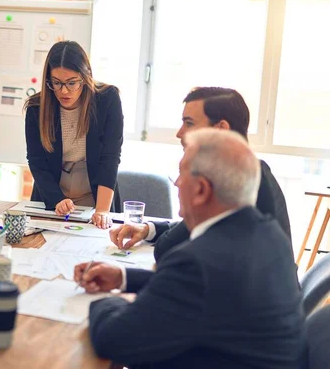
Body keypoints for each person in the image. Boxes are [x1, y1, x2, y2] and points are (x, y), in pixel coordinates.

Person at [76, 128, 305, 369]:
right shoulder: (269, 233)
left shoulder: (199, 262)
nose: (175, 183)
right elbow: (203, 289)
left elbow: (114, 339)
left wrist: (107, 301)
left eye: (181, 173)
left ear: (201, 190)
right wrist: (123, 278)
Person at [111, 87, 291, 259]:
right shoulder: (254, 171)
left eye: (189, 123)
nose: (179, 133)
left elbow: (167, 247)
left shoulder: (235, 184)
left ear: (221, 128)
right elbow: (191, 227)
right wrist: (147, 229)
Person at [25, 40, 123, 229]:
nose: (64, 91)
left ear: (85, 77)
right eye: (57, 82)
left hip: (94, 190)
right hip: (52, 190)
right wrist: (57, 199)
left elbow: (110, 157)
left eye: (72, 83)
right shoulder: (37, 108)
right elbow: (36, 161)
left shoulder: (107, 99)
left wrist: (102, 210)